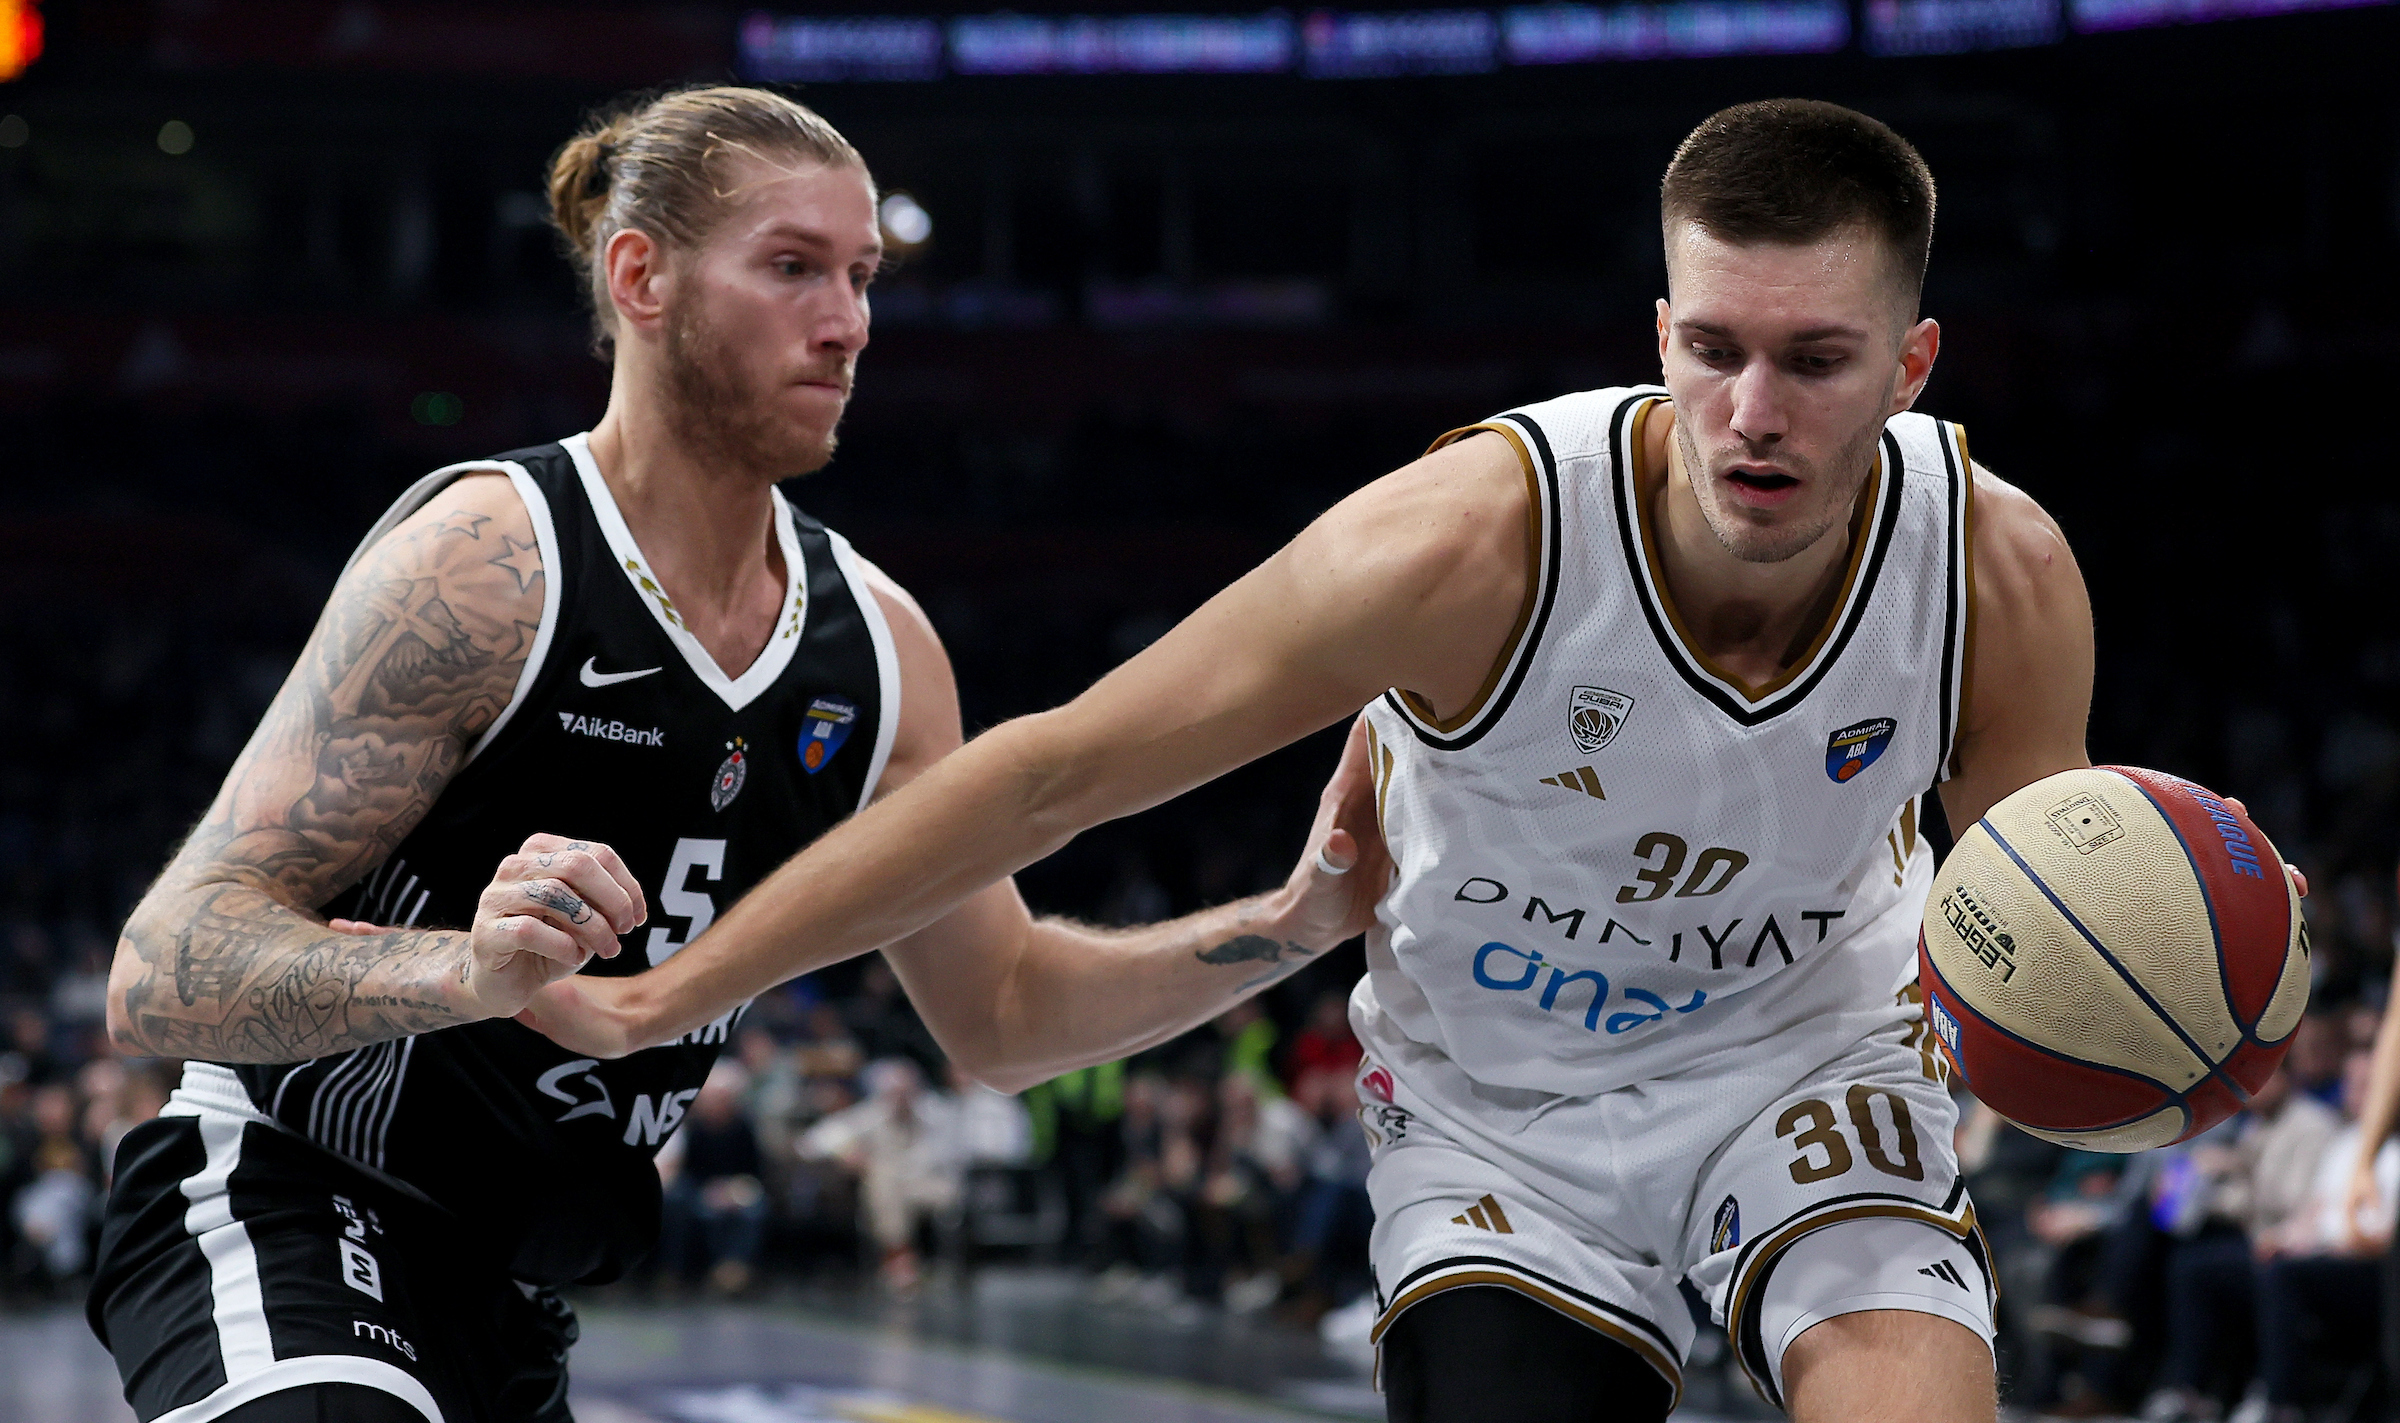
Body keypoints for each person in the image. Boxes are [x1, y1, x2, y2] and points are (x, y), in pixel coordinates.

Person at [521, 97, 2162, 1423]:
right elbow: (1048, 776)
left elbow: (2035, 927)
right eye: (1714, 348)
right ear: (1659, 330)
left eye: (1815, 362)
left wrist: (2170, 1017)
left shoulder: (1995, 571)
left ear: (1913, 365)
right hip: (1504, 1112)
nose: (1752, 412)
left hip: (1814, 1064)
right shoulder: (1463, 545)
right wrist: (665, 996)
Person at [85, 86, 1362, 1423]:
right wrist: (459, 970)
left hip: (514, 1296)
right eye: (795, 267)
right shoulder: (491, 561)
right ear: (640, 276)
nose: (851, 322)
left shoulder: (880, 651)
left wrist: (1293, 922)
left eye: (864, 276)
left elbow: (1006, 1016)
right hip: (287, 1200)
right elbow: (164, 968)